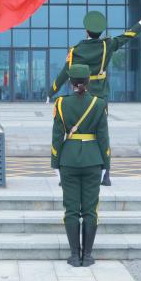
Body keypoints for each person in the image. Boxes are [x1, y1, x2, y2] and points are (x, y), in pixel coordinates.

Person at [50, 8, 141, 186]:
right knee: (101, 134)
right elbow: (128, 35)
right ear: (100, 31)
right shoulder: (106, 45)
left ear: (86, 30)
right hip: (100, 95)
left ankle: (70, 172)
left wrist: (51, 92)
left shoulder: (76, 50)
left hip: (80, 94)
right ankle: (106, 175)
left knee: (76, 133)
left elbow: (65, 73)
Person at [51, 64, 110, 268]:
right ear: (88, 81)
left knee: (71, 210)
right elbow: (103, 138)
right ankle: (88, 256)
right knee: (90, 210)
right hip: (93, 160)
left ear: (70, 82)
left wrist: (55, 163)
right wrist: (106, 165)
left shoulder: (61, 104)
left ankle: (75, 256)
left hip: (68, 161)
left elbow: (57, 136)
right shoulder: (99, 103)